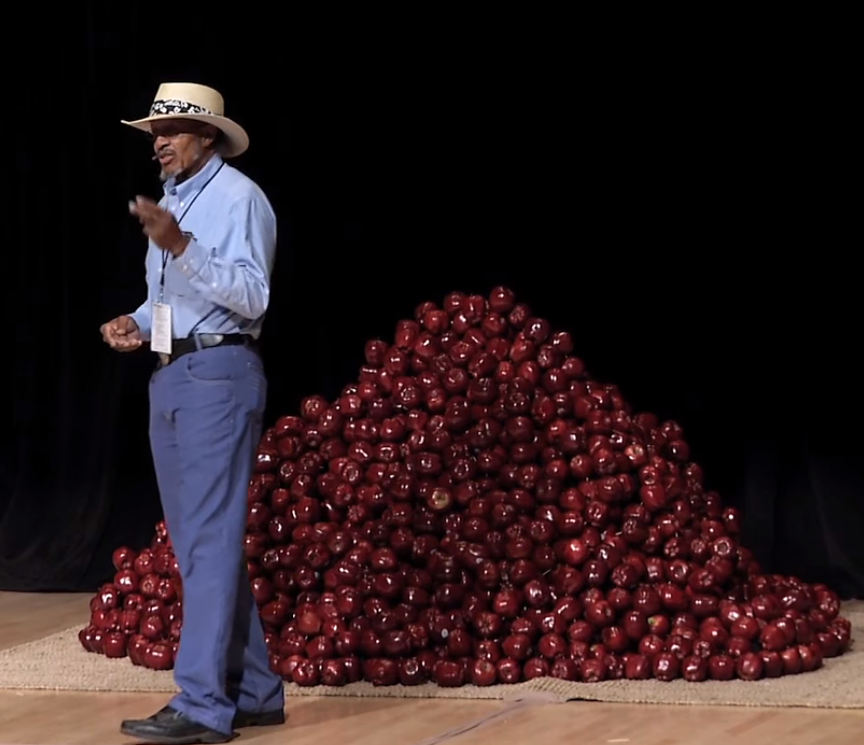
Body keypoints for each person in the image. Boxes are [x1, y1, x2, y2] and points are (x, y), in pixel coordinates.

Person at [100, 82, 285, 744]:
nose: (160, 141)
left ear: (208, 136)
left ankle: (204, 703)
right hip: (170, 374)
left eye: (173, 128)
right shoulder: (174, 204)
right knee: (198, 545)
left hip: (218, 375)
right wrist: (137, 320)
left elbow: (251, 297)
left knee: (207, 541)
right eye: (155, 130)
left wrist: (182, 246)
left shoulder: (239, 199)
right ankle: (257, 691)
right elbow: (172, 302)